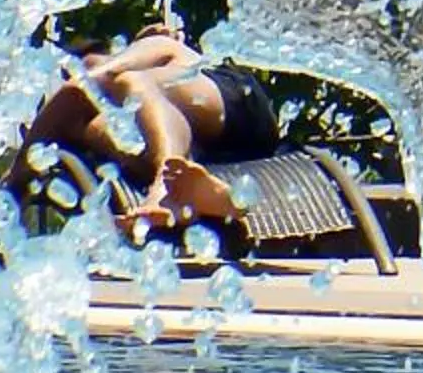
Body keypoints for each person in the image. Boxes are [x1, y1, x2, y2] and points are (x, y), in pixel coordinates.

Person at [20, 15, 278, 243]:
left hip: (232, 101)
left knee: (127, 80)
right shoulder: (100, 122)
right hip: (220, 140)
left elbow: (80, 87)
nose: (82, 68)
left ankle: (165, 191)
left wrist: (9, 183)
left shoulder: (158, 47)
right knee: (102, 130)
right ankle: (210, 199)